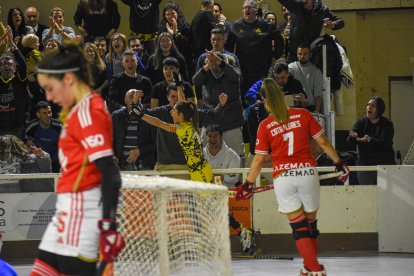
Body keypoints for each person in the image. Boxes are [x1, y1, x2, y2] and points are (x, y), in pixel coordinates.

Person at [237, 78, 349, 276]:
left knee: (299, 228)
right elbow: (322, 142)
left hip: (284, 177)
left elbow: (258, 160)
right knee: (311, 225)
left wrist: (247, 184)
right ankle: (308, 267)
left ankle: (316, 269)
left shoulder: (265, 125)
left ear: (264, 101)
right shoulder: (303, 114)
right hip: (308, 173)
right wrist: (339, 163)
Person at [31, 43, 124, 275]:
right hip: (67, 213)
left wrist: (107, 228)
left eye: (50, 88)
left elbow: (110, 173)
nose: (49, 97)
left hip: (81, 213)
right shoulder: (79, 110)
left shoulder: (88, 111)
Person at [132, 82, 213, 183]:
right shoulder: (191, 122)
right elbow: (183, 104)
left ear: (180, 114)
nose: (171, 112)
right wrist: (179, 86)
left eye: (174, 110)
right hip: (204, 169)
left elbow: (159, 123)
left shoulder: (180, 129)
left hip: (198, 174)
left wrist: (140, 115)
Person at [226, 0, 284, 103]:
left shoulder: (267, 25)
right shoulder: (235, 25)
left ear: (256, 11)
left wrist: (276, 56)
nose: (247, 10)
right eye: (245, 8)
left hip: (262, 70)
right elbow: (228, 47)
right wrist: (231, 63)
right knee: (245, 98)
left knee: (263, 98)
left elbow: (279, 40)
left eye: (250, 7)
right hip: (243, 70)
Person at [277, 0, 345, 63]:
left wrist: (333, 25)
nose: (304, 0)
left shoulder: (322, 10)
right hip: (294, 51)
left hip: (312, 53)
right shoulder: (296, 5)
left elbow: (340, 22)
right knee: (290, 73)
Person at [347, 96, 396, 184]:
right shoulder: (360, 122)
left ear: (380, 109)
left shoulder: (387, 124)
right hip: (365, 165)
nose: (369, 107)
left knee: (385, 194)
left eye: (373, 106)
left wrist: (370, 140)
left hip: (385, 164)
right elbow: (350, 145)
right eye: (368, 105)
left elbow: (385, 144)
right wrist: (352, 137)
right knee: (367, 193)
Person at [112, 89, 156, 171]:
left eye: (136, 97)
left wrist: (140, 151)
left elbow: (156, 142)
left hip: (144, 164)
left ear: (140, 100)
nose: (133, 99)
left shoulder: (149, 116)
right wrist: (113, 155)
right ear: (125, 100)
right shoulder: (117, 116)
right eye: (131, 97)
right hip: (121, 164)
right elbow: (110, 139)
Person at [0, 26, 30, 139]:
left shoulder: (19, 80)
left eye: (10, 64)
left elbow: (23, 65)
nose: (6, 66)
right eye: (3, 64)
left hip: (17, 127)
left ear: (14, 68)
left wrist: (13, 45)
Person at [25, 101, 63, 173]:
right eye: (44, 113)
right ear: (38, 115)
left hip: (57, 160)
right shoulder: (31, 127)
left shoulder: (59, 126)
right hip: (40, 159)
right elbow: (27, 143)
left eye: (49, 112)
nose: (48, 115)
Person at [289, 43, 323, 113]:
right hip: (294, 108)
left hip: (310, 109)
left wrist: (316, 111)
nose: (302, 56)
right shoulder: (291, 67)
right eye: (300, 54)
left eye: (305, 54)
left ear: (310, 55)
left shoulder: (316, 72)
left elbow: (318, 95)